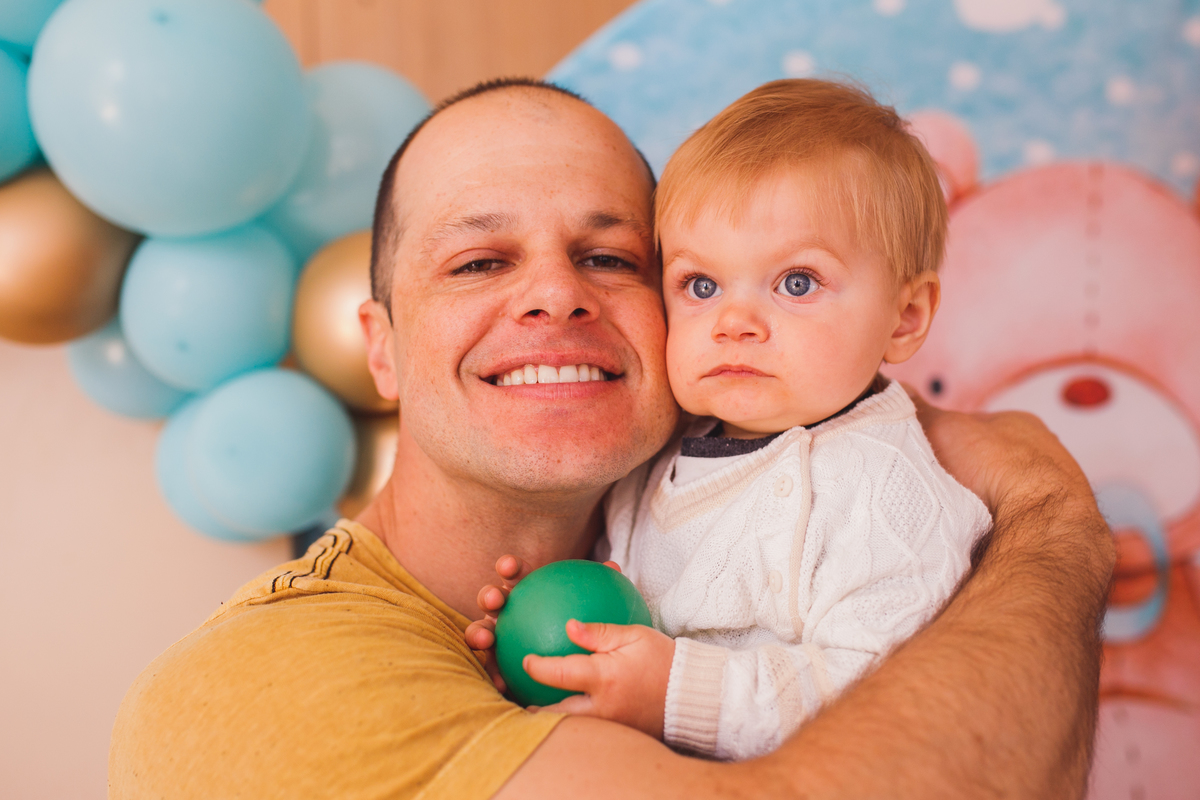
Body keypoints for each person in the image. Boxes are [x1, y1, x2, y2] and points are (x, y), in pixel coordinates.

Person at [108, 78, 1114, 800]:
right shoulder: (255, 686)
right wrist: (1057, 519)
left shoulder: (748, 496)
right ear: (382, 348)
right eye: (477, 261)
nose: (554, 293)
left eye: (608, 254)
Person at [471, 78, 992, 762]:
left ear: (906, 317)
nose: (734, 323)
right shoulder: (665, 450)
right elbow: (640, 602)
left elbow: (882, 701)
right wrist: (556, 632)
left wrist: (674, 690)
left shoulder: (884, 492)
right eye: (701, 285)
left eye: (797, 283)